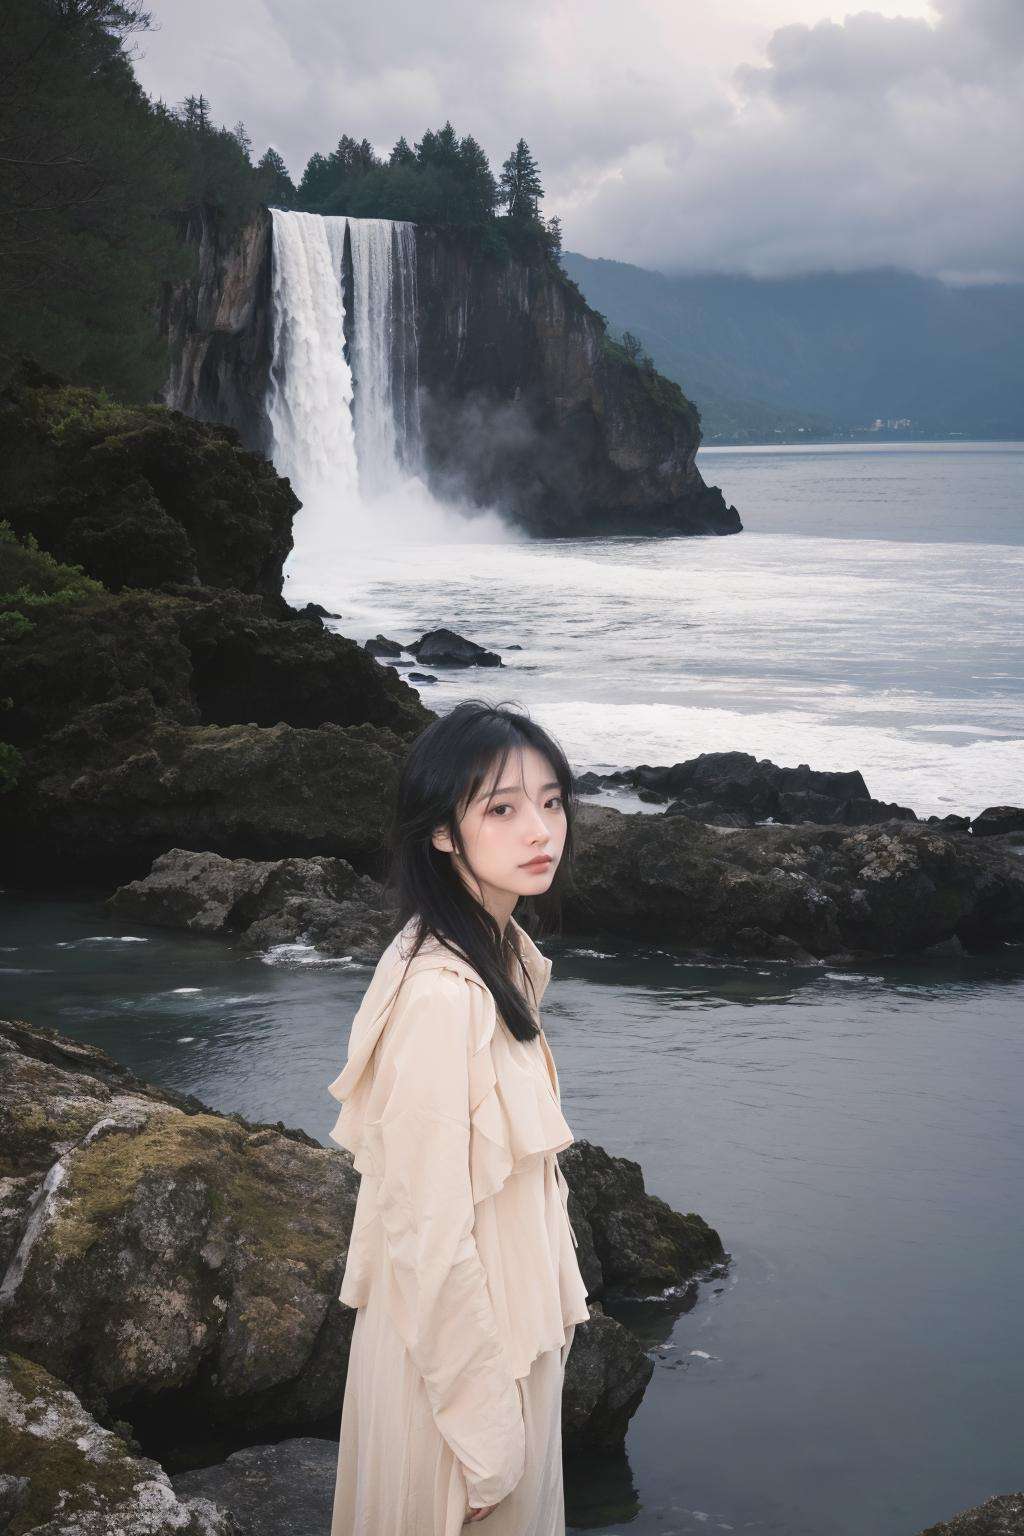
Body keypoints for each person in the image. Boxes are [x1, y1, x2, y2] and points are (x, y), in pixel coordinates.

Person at [327, 698, 591, 1535]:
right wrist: (485, 1436)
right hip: (459, 1387)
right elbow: (426, 1233)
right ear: (443, 832)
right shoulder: (445, 995)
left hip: (500, 1356)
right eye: (502, 808)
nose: (539, 829)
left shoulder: (492, 957)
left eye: (550, 802)